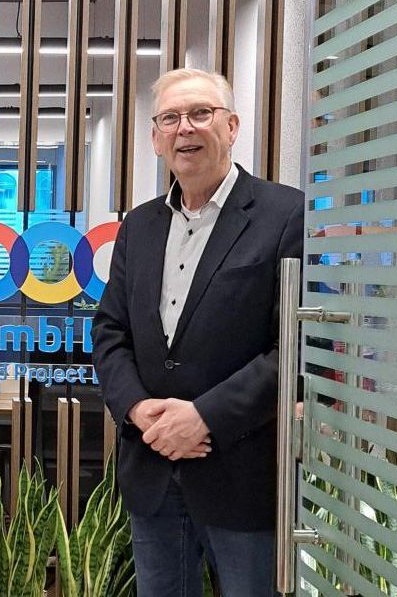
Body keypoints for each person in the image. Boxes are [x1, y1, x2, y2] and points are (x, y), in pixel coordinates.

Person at [91, 68, 304, 596]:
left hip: (243, 475)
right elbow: (110, 331)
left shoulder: (286, 214)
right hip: (153, 470)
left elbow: (296, 347)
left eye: (201, 114)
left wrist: (204, 417)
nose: (185, 128)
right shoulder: (138, 227)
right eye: (170, 118)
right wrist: (139, 411)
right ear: (156, 138)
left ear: (231, 127)